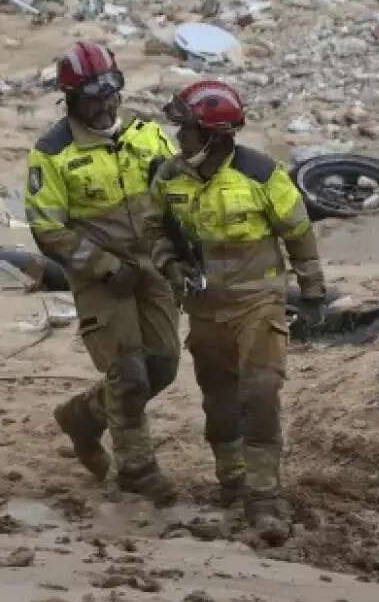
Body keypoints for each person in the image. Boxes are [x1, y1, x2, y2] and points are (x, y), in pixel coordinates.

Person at [150, 79, 325, 544]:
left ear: (214, 134)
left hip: (259, 303)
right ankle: (231, 480)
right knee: (218, 395)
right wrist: (169, 264)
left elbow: (299, 234)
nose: (176, 138)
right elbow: (156, 235)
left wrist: (313, 292)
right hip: (205, 308)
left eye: (184, 130)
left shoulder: (262, 175)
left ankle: (264, 494)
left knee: (262, 390)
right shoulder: (168, 178)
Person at [25, 41, 181, 503]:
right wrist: (105, 267)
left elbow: (177, 195)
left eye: (110, 92)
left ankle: (84, 417)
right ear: (70, 99)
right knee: (128, 372)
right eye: (92, 97)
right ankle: (136, 469)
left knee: (163, 366)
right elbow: (46, 228)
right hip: (100, 276)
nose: (105, 104)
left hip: (154, 267)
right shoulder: (52, 155)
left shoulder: (148, 134)